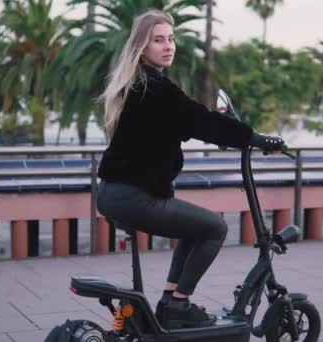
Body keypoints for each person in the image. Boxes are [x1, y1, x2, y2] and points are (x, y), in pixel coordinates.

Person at [96, 9, 284, 330]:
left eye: (171, 39)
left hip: (115, 193)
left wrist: (224, 130)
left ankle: (170, 301)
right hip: (133, 196)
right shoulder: (154, 88)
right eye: (158, 40)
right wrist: (254, 137)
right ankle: (179, 305)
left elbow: (185, 122)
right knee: (215, 228)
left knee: (193, 228)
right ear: (141, 46)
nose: (168, 46)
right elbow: (200, 120)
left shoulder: (141, 85)